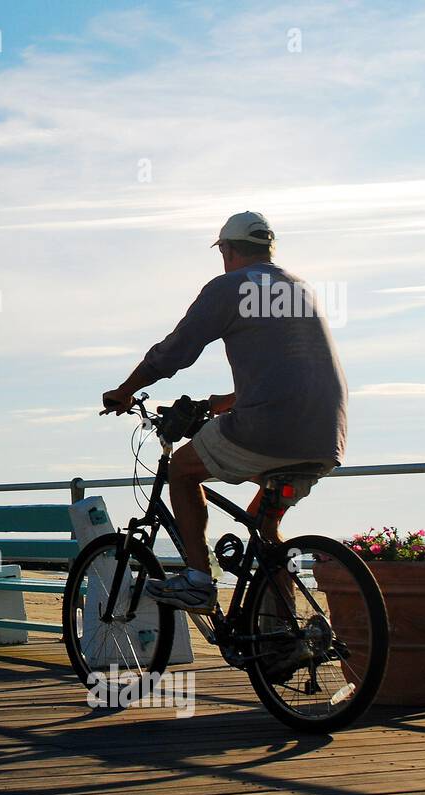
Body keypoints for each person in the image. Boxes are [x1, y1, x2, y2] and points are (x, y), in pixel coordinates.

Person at [101, 211, 347, 611]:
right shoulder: (300, 288)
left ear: (227, 250)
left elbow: (174, 353)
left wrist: (125, 391)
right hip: (325, 434)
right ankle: (283, 635)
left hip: (268, 427)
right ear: (270, 249)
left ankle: (198, 580)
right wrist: (227, 402)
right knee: (266, 530)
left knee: (182, 470)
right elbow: (292, 368)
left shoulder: (229, 286)